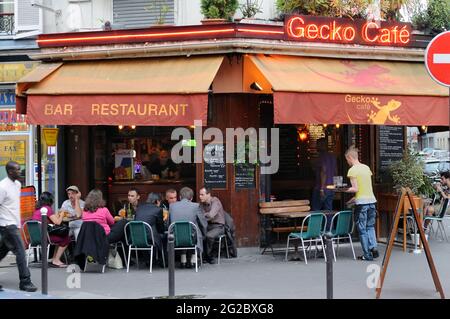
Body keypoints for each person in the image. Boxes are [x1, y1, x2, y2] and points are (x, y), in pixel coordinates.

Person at [0, 161, 37, 292]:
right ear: (10, 172)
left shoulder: (17, 184)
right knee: (21, 251)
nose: (20, 171)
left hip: (14, 224)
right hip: (6, 225)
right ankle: (25, 281)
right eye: (17, 170)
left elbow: (14, 205)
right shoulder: (2, 187)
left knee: (1, 252)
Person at [345, 146, 379, 261]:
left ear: (350, 157)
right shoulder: (366, 168)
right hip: (372, 202)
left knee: (362, 229)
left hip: (362, 205)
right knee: (370, 227)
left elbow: (355, 189)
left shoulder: (352, 170)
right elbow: (364, 189)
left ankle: (367, 255)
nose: (347, 162)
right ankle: (373, 247)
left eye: (347, 160)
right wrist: (352, 200)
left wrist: (342, 190)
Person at [169, 187, 207, 269]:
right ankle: (193, 260)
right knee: (195, 228)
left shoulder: (172, 206)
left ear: (180, 197)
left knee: (182, 228)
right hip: (191, 237)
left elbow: (169, 223)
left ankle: (183, 260)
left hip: (175, 238)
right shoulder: (196, 206)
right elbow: (203, 223)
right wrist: (204, 233)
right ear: (192, 198)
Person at [32, 192, 70, 268]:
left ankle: (54, 258)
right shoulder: (47, 208)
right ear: (49, 200)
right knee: (66, 238)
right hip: (45, 237)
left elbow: (51, 219)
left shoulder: (38, 209)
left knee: (59, 237)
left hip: (35, 238)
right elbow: (58, 222)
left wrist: (57, 215)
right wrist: (62, 215)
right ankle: (56, 260)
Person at [135, 192, 165, 264]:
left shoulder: (139, 207)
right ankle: (164, 260)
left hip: (136, 237)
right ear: (157, 201)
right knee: (165, 236)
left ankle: (148, 259)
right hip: (149, 237)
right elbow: (160, 226)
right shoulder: (158, 209)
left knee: (149, 231)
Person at [199, 186, 226, 264]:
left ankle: (209, 256)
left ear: (208, 194)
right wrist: (204, 215)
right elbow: (200, 216)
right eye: (199, 194)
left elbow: (211, 215)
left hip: (218, 226)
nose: (200, 196)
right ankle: (201, 256)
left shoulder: (215, 201)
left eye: (202, 194)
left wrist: (204, 215)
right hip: (207, 225)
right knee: (198, 234)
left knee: (209, 236)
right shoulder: (201, 204)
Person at [311, 138, 337, 211]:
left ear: (322, 145)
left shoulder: (321, 157)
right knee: (328, 210)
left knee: (316, 210)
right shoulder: (333, 157)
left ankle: (316, 223)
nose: (316, 147)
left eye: (317, 144)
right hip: (331, 188)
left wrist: (322, 189)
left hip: (321, 188)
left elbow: (323, 171)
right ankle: (329, 223)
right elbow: (335, 172)